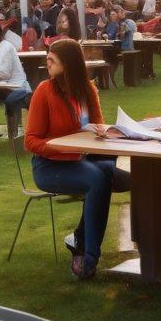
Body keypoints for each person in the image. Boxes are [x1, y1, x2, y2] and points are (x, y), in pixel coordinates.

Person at [25, 39, 130, 279]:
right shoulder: (44, 91)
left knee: (129, 177)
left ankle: (80, 239)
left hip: (81, 162)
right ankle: (89, 258)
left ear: (68, 64)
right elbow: (30, 141)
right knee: (98, 178)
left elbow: (98, 126)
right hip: (49, 166)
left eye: (52, 60)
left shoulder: (87, 89)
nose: (46, 63)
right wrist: (65, 148)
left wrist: (106, 133)